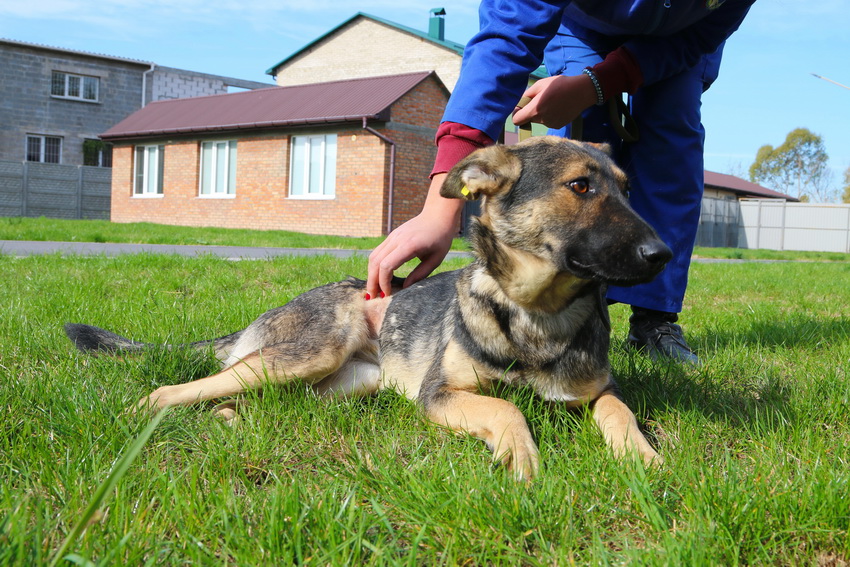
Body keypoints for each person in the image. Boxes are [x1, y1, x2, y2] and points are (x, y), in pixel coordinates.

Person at [366, 0, 756, 365]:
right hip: (583, 25)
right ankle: (576, 310)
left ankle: (654, 319)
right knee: (581, 157)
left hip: (678, 36)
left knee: (671, 136)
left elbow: (699, 36)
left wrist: (599, 83)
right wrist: (441, 209)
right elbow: (504, 39)